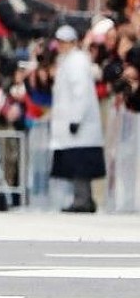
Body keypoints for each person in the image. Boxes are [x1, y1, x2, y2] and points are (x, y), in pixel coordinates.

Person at [49, 24, 105, 213]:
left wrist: (76, 118)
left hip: (79, 124)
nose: (61, 45)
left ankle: (82, 200)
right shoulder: (67, 61)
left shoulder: (76, 62)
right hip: (72, 124)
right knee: (75, 164)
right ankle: (83, 198)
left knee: (80, 164)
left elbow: (80, 92)